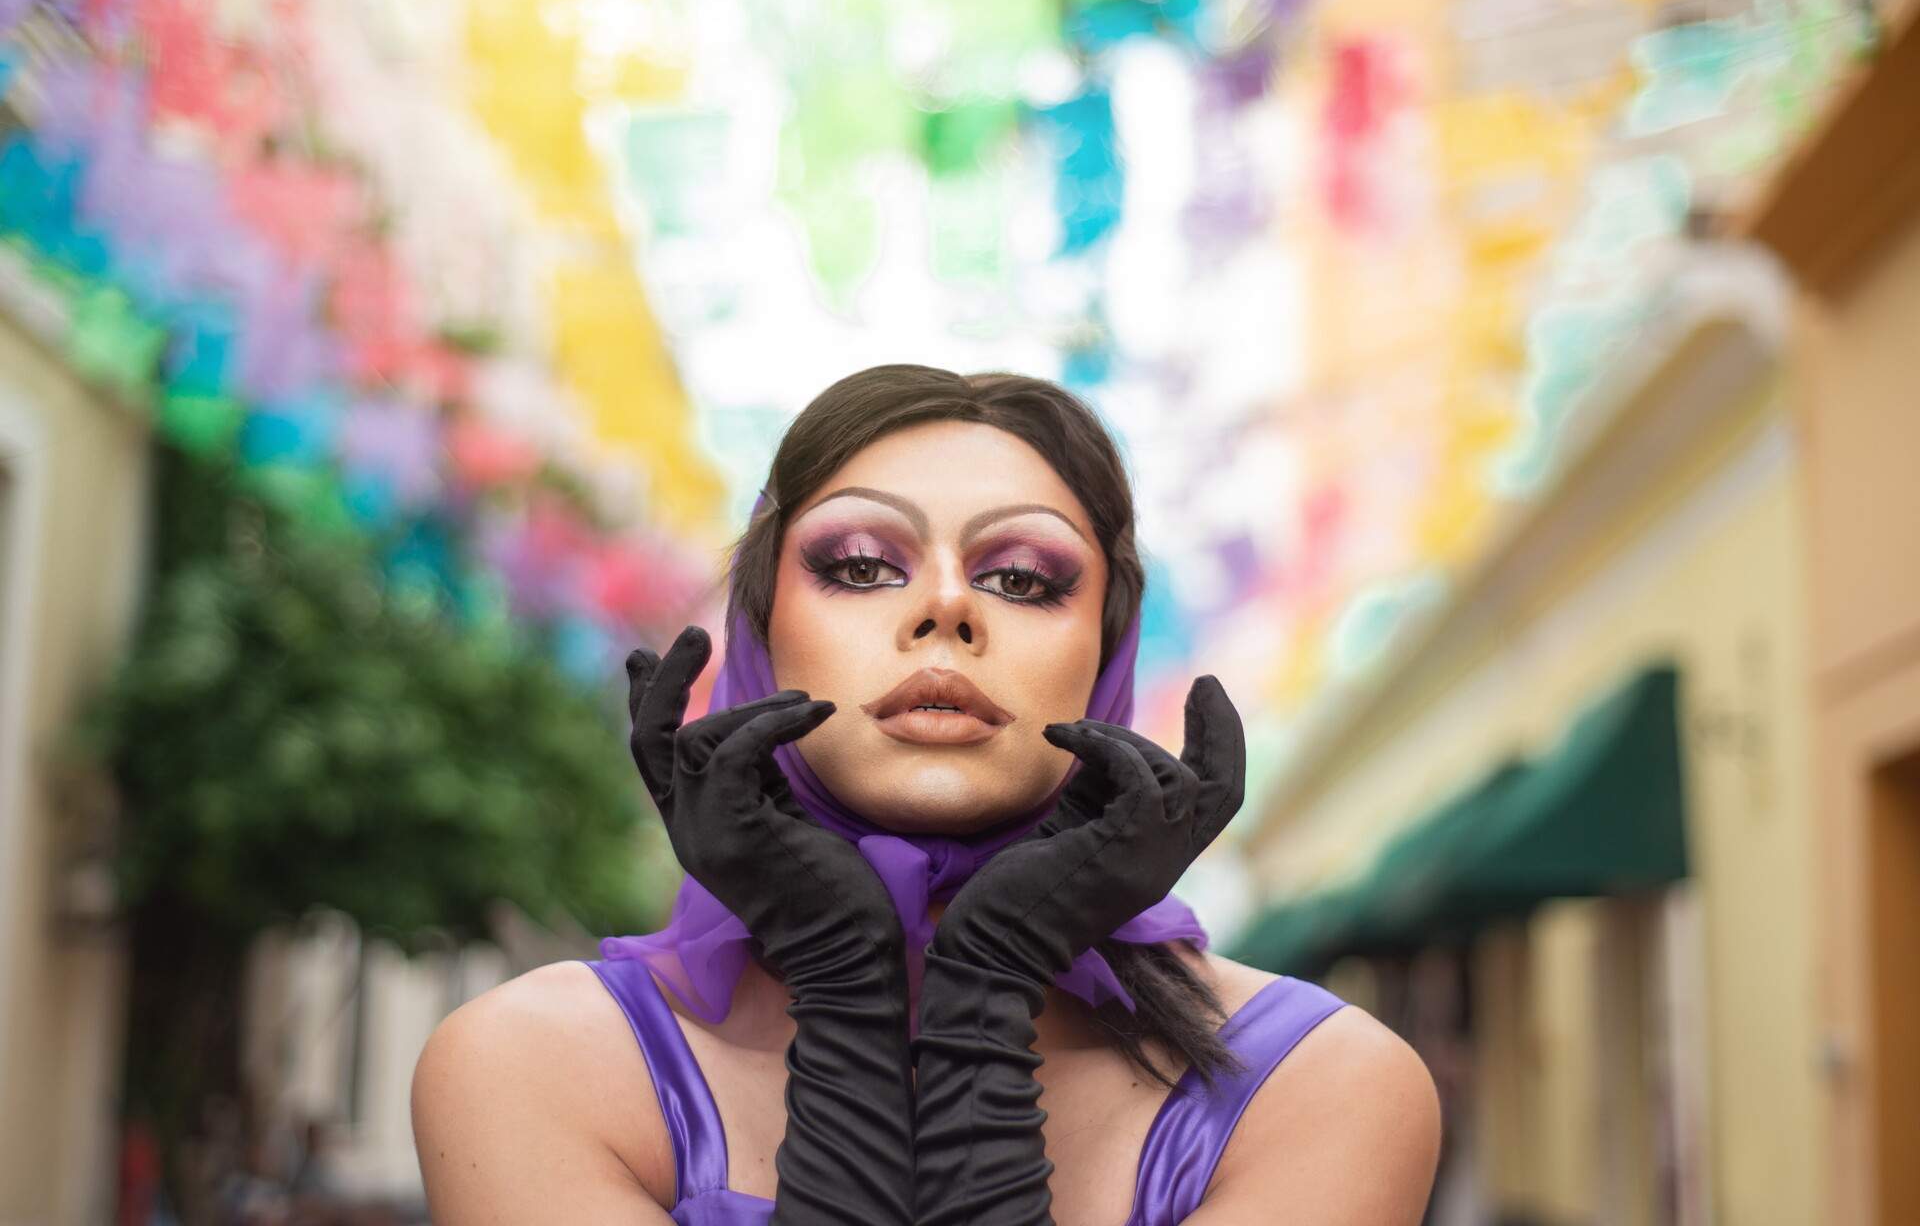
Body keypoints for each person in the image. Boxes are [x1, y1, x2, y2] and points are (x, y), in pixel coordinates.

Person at [411, 366, 1440, 1223]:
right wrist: (844, 982)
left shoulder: (1320, 1085)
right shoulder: (532, 1067)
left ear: (1105, 651)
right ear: (764, 630)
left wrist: (989, 976)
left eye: (1024, 577)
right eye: (860, 566)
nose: (946, 606)